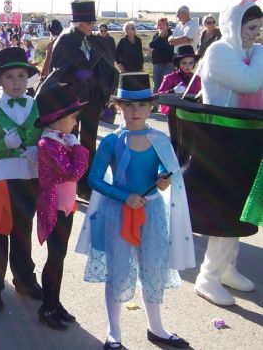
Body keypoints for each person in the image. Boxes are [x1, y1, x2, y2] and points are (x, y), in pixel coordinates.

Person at [77, 72, 195, 349]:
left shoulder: (160, 139)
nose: (135, 111)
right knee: (118, 269)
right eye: (128, 105)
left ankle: (156, 327)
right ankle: (114, 331)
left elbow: (164, 170)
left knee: (153, 267)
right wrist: (124, 195)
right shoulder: (112, 141)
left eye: (142, 105)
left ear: (151, 107)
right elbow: (93, 179)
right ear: (119, 107)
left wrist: (163, 179)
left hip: (151, 212)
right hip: (118, 213)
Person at [193, 0, 263, 306]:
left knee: (239, 208)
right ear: (234, 26)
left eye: (259, 29)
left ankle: (227, 268)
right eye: (250, 28)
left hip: (242, 139)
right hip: (221, 140)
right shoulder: (220, 50)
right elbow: (249, 83)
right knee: (226, 209)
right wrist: (261, 52)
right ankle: (207, 277)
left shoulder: (246, 53)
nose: (255, 35)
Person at [0, 47, 43, 311]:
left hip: (28, 178)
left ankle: (24, 279)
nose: (16, 82)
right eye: (10, 77)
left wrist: (40, 148)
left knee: (23, 232)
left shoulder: (35, 105)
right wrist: (2, 144)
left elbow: (46, 134)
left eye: (21, 76)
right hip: (0, 181)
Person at [47, 0, 119, 200]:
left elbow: (103, 64)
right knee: (70, 139)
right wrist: (74, 75)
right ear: (78, 22)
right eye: (88, 23)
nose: (92, 26)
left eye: (92, 22)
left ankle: (86, 183)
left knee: (89, 141)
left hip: (91, 98)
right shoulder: (66, 39)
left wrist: (102, 78)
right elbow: (57, 71)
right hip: (71, 99)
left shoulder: (91, 40)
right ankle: (69, 181)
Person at [35, 86, 89, 330]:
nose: (76, 123)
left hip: (67, 206)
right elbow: (72, 172)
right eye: (73, 118)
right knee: (54, 258)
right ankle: (46, 307)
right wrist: (78, 147)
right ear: (57, 120)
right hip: (54, 207)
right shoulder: (48, 143)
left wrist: (72, 143)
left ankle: (55, 302)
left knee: (61, 257)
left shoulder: (61, 139)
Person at [157, 45, 201, 114]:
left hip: (192, 112)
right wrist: (172, 91)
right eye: (184, 63)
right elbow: (160, 95)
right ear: (178, 63)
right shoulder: (170, 77)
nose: (188, 66)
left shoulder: (197, 79)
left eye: (191, 63)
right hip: (174, 113)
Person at [149, 18, 174, 95]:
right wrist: (160, 37)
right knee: (156, 86)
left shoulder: (172, 35)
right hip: (157, 64)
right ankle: (155, 105)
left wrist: (173, 62)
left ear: (167, 25)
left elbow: (174, 49)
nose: (161, 26)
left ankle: (166, 106)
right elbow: (151, 45)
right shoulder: (156, 35)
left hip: (168, 65)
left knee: (167, 86)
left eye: (163, 24)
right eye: (159, 24)